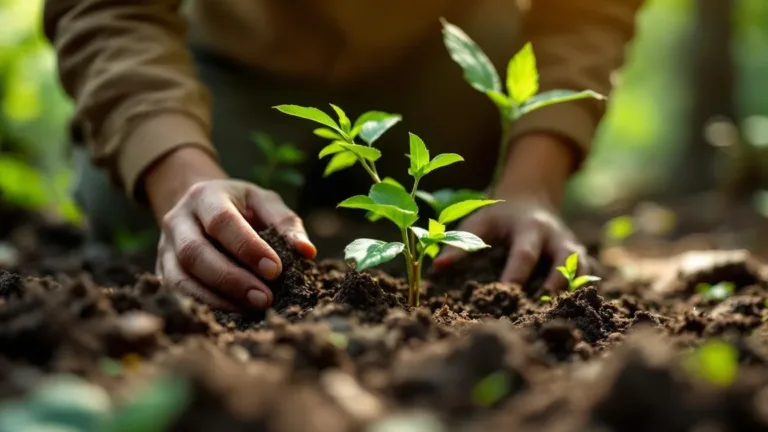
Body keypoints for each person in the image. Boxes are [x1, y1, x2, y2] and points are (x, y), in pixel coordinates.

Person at [43, 0, 643, 311]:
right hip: (227, 63)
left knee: (495, 252)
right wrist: (182, 178)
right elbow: (105, 11)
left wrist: (533, 179)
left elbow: (585, 12)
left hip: (442, 60)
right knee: (136, 223)